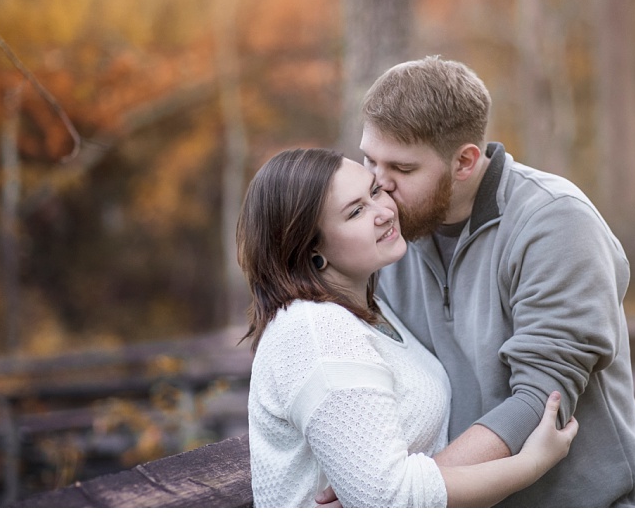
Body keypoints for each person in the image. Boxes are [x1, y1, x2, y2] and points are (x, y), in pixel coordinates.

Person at [347, 56, 635, 507]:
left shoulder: (555, 223)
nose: (379, 185)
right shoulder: (386, 235)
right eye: (369, 160)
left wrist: (399, 495)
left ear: (464, 161)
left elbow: (541, 400)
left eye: (402, 169)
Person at [238, 147, 578, 508]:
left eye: (375, 191)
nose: (384, 212)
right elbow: (389, 499)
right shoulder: (315, 331)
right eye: (355, 212)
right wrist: (529, 464)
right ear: (308, 250)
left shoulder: (367, 308)